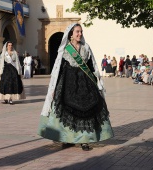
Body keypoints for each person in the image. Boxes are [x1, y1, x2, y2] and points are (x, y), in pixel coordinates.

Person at [38, 23, 114, 151]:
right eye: (77, 32)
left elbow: (92, 66)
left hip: (86, 83)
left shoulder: (86, 48)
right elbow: (58, 70)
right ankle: (68, 138)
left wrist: (97, 83)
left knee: (86, 110)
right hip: (68, 83)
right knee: (68, 110)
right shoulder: (65, 49)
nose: (80, 34)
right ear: (71, 34)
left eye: (81, 32)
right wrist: (55, 88)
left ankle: (84, 140)